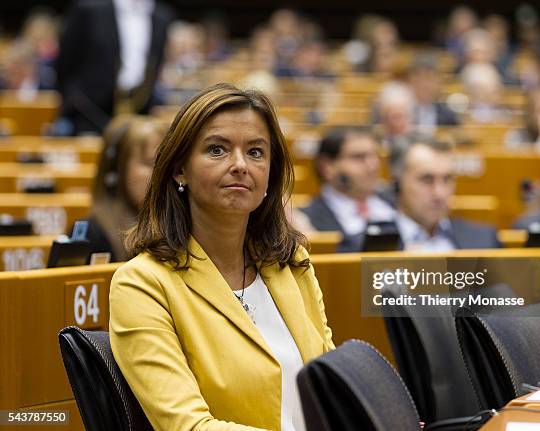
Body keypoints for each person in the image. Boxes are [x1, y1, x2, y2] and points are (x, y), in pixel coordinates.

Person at [110, 83, 334, 431]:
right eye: (217, 150)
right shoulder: (142, 284)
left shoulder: (292, 264)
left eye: (256, 152)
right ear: (179, 169)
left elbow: (333, 387)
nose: (240, 165)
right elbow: (188, 427)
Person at [55, 0, 173, 135]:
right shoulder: (90, 9)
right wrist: (76, 100)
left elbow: (155, 64)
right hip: (89, 113)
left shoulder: (162, 15)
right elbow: (65, 64)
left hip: (139, 111)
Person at [82, 115, 167, 261]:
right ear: (116, 172)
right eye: (150, 163)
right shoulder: (91, 235)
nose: (161, 173)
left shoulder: (175, 227)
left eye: (165, 163)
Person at [391, 137, 500, 250]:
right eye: (427, 179)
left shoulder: (485, 240)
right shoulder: (374, 246)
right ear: (397, 183)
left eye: (447, 179)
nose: (440, 194)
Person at [298, 126, 396, 251]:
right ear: (327, 166)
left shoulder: (398, 201)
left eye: (375, 156)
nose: (373, 166)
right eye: (358, 157)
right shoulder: (306, 220)